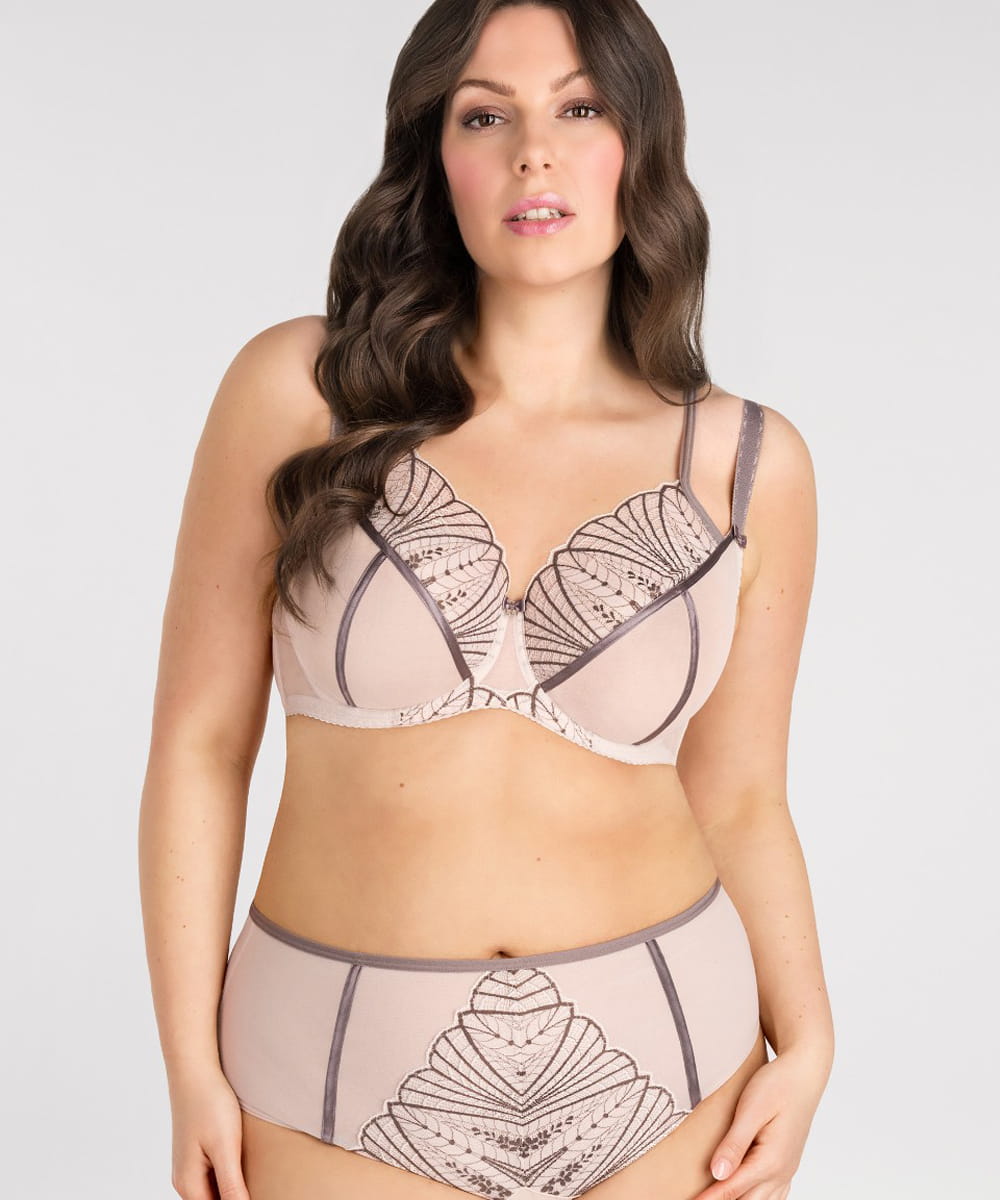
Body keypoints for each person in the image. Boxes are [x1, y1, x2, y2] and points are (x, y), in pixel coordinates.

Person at [138, 2, 834, 1198]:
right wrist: (190, 1070)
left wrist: (809, 1039)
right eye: (484, 116)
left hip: (673, 1060)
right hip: (325, 1064)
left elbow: (740, 791)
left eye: (580, 108)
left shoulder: (745, 465)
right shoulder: (298, 394)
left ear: (641, 144)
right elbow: (201, 747)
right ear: (434, 153)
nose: (533, 154)